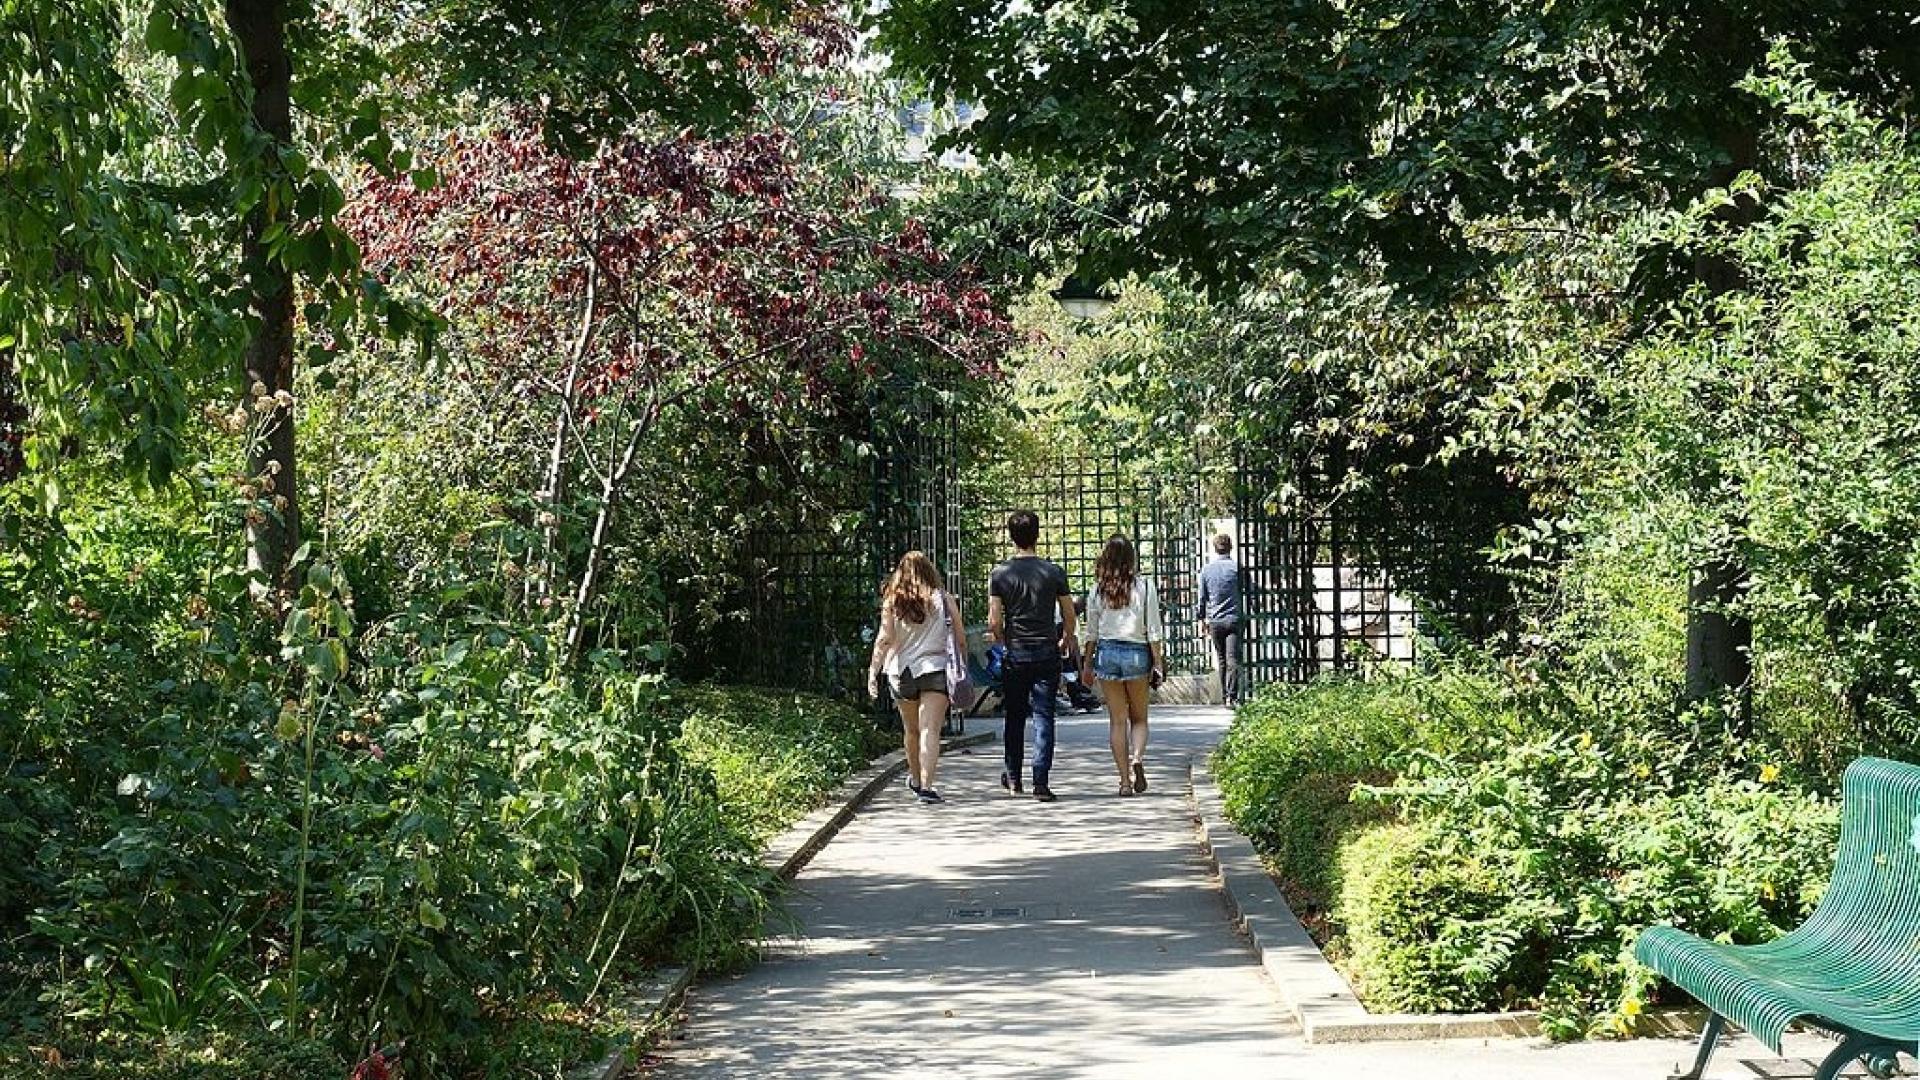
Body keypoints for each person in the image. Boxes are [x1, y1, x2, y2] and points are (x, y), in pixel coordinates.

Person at [988, 510, 1077, 802]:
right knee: (1044, 716)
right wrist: (1065, 638)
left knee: (1014, 716)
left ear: (1012, 537)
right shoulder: (1053, 572)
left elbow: (994, 620)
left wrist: (1003, 641)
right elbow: (1068, 613)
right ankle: (1041, 781)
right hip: (1046, 652)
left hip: (1016, 653)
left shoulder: (1000, 573)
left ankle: (1013, 778)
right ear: (1037, 535)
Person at [867, 551, 965, 804]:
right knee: (930, 730)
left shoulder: (892, 601)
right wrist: (960, 665)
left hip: (902, 672)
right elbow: (960, 637)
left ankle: (916, 779)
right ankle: (927, 787)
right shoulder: (943, 599)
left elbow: (884, 639)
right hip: (934, 668)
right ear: (930, 571)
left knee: (911, 731)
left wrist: (873, 671)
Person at [1080, 535, 1165, 796]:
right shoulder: (1145, 586)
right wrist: (1158, 662)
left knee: (1117, 721)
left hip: (1106, 652)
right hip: (1137, 652)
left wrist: (1087, 665)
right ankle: (1137, 758)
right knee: (1139, 719)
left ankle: (1124, 782)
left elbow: (1091, 633)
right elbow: (1153, 630)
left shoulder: (1097, 590)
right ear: (1131, 558)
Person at [1197, 532, 1243, 704]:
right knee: (1233, 659)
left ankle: (1225, 696)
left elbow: (1202, 598)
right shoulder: (1237, 568)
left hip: (1215, 620)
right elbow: (1247, 591)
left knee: (1221, 659)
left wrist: (1201, 620)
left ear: (1215, 549)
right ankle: (1232, 695)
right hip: (1233, 618)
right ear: (1230, 547)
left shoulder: (1206, 570)